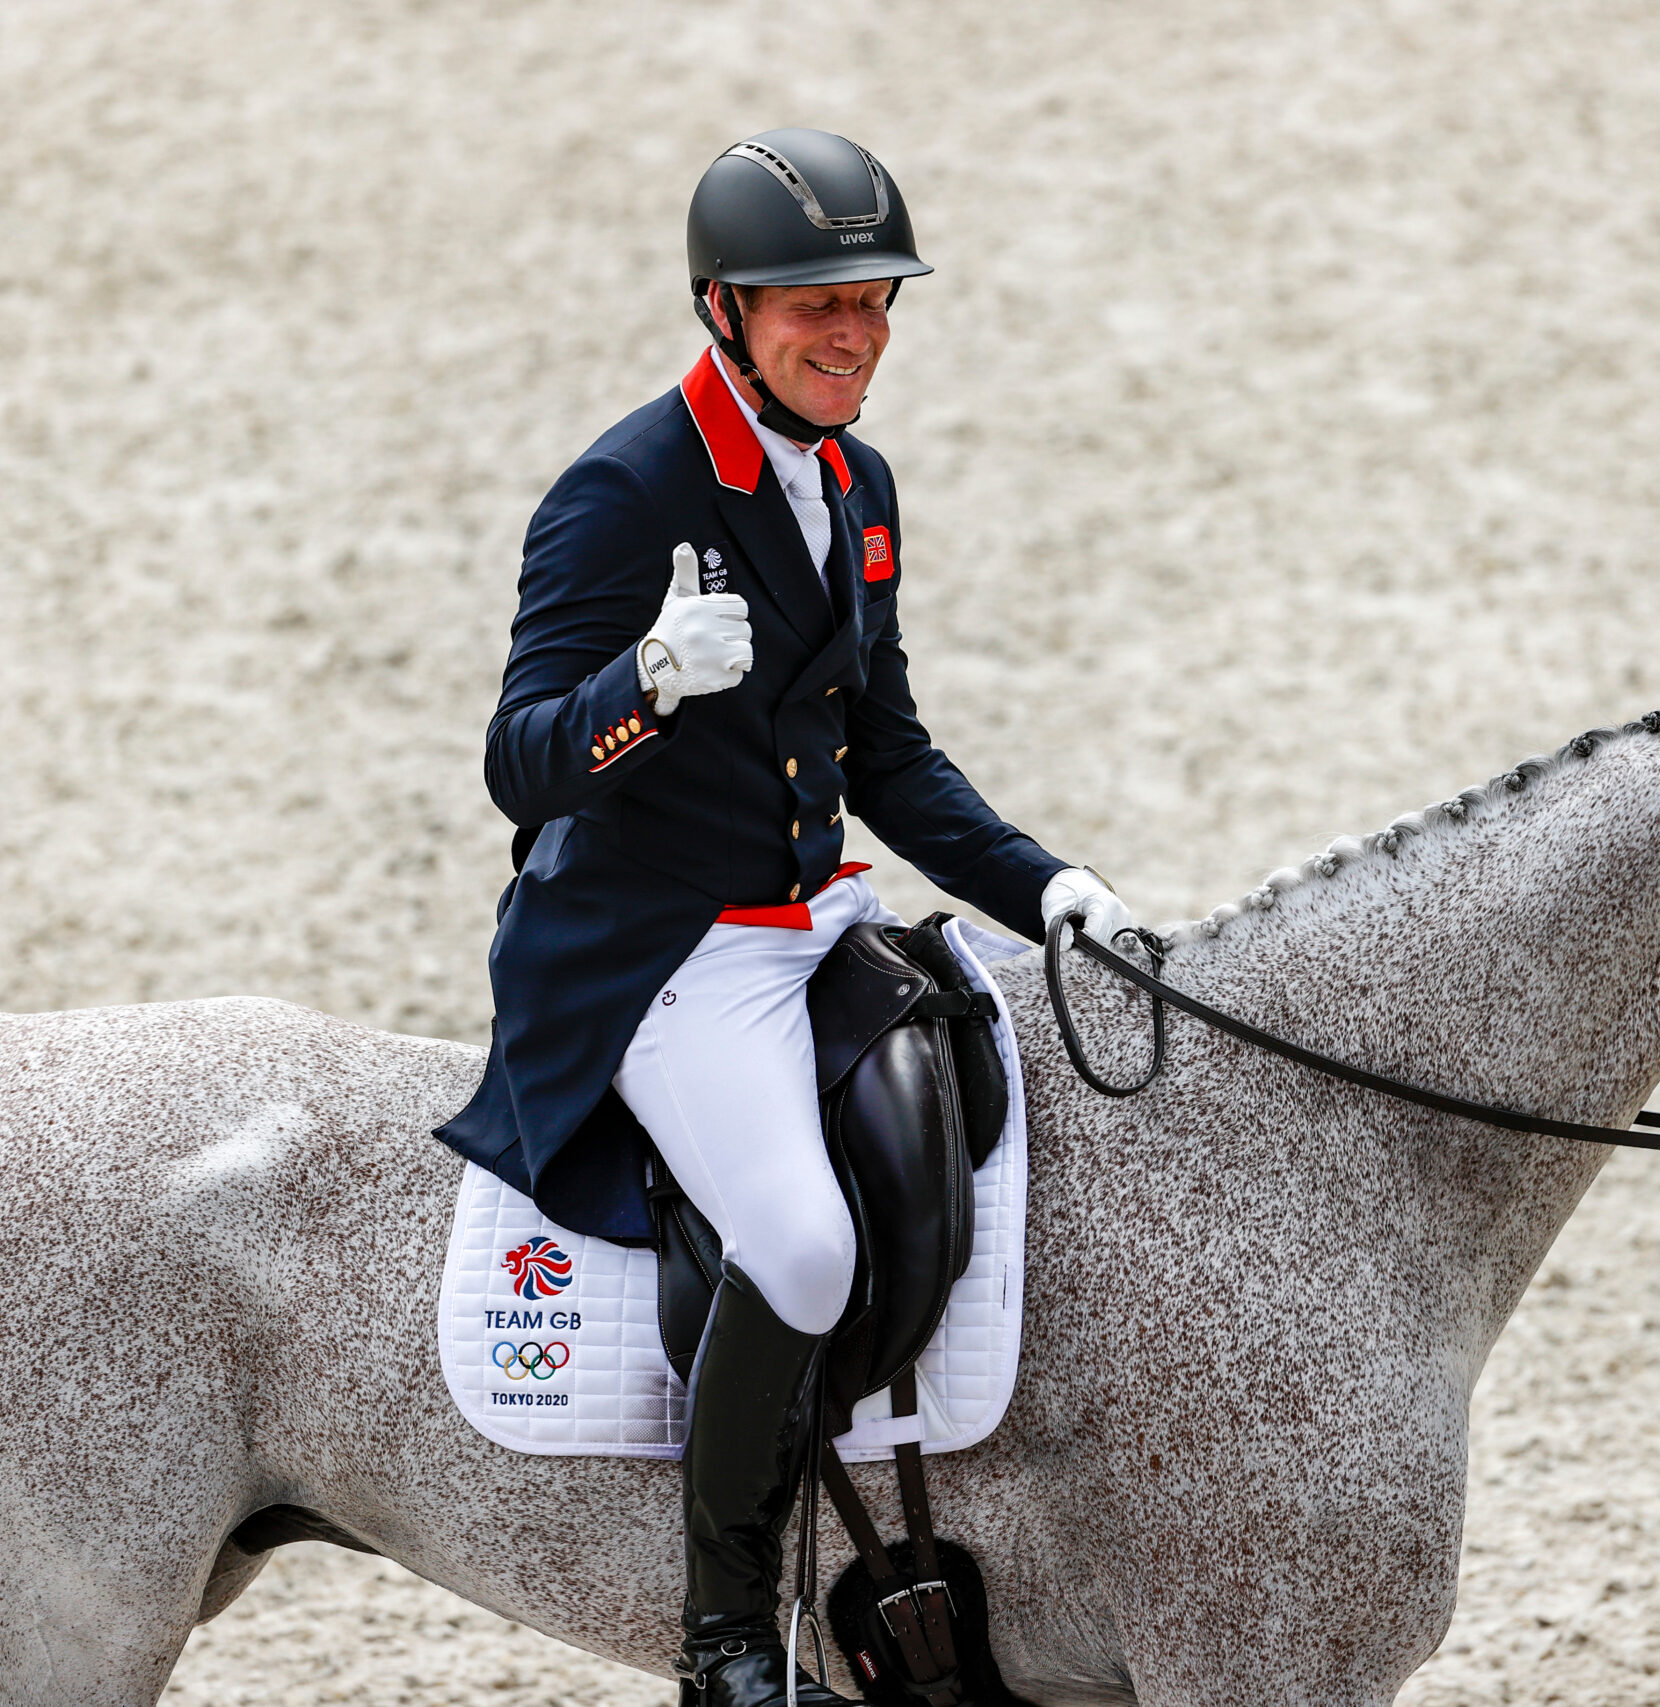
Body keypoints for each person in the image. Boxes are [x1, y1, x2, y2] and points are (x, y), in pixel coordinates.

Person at [432, 129, 1136, 1707]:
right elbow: (516, 764)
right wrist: (649, 683)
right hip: (668, 949)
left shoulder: (859, 482)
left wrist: (1047, 886)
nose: (855, 334)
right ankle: (732, 1636)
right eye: (813, 304)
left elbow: (881, 747)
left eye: (875, 300)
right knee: (808, 1246)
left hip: (816, 915)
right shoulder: (624, 494)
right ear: (724, 308)